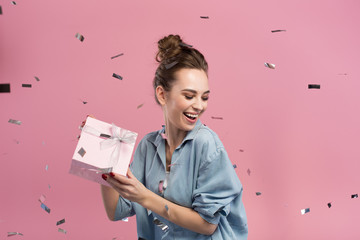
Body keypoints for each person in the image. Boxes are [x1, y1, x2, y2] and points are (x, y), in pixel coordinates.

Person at [99, 34, 248, 239]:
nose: (199, 105)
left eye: (204, 97)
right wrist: (104, 154)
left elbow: (207, 224)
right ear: (162, 95)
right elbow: (117, 211)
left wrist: (145, 197)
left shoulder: (206, 144)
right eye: (189, 96)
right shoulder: (148, 146)